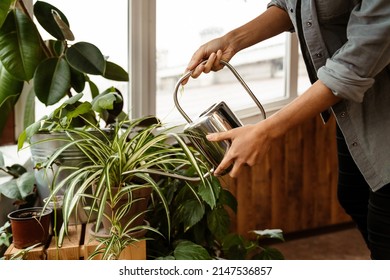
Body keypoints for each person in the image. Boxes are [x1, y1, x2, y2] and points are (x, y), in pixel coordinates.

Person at [183, 0, 390, 260]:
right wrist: (232, 40)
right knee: (352, 196)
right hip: (357, 111)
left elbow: (353, 65)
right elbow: (293, 5)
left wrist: (265, 131)